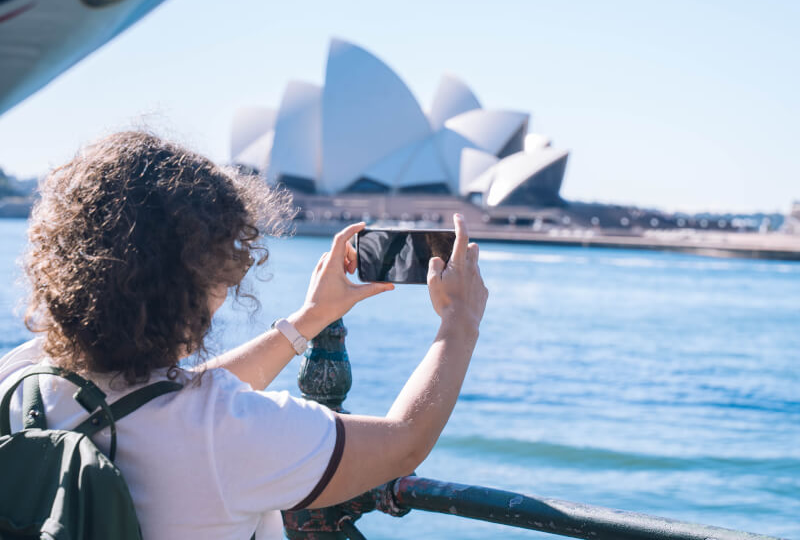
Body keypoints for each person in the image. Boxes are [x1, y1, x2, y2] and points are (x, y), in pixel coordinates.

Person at [0, 132, 489, 539]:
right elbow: (403, 442)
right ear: (190, 281)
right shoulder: (233, 433)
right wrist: (459, 322)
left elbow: (162, 401)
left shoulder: (23, 375)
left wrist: (309, 320)